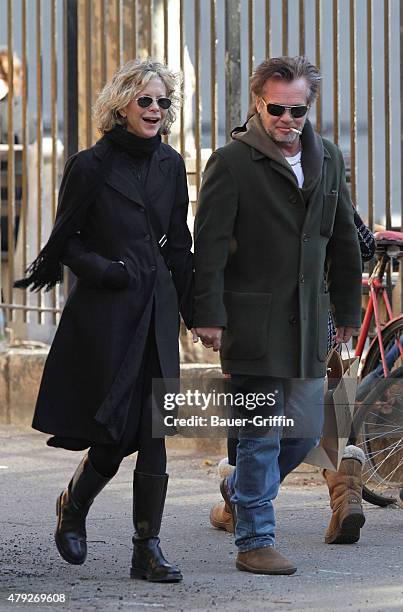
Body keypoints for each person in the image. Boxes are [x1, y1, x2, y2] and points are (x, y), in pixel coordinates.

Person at [14, 58, 193, 583]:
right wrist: (107, 271)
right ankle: (73, 504)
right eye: (146, 101)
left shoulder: (170, 165)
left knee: (155, 431)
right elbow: (65, 242)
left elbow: (179, 246)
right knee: (114, 436)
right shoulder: (90, 165)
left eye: (163, 101)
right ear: (121, 106)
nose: (156, 109)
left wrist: (199, 313)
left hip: (157, 311)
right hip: (108, 314)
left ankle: (147, 548)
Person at [193, 56, 362, 575]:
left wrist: (349, 310)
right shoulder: (232, 162)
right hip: (253, 323)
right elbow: (211, 246)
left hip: (311, 323)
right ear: (257, 105)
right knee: (262, 432)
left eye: (298, 109)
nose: (288, 119)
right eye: (277, 108)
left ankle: (242, 488)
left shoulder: (328, 157)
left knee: (306, 432)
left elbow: (342, 243)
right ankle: (255, 540)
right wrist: (209, 315)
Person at [211, 210, 375, 544]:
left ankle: (237, 497)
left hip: (264, 324)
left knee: (253, 411)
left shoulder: (251, 177)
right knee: (329, 407)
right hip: (320, 326)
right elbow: (365, 246)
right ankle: (347, 495)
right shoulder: (323, 174)